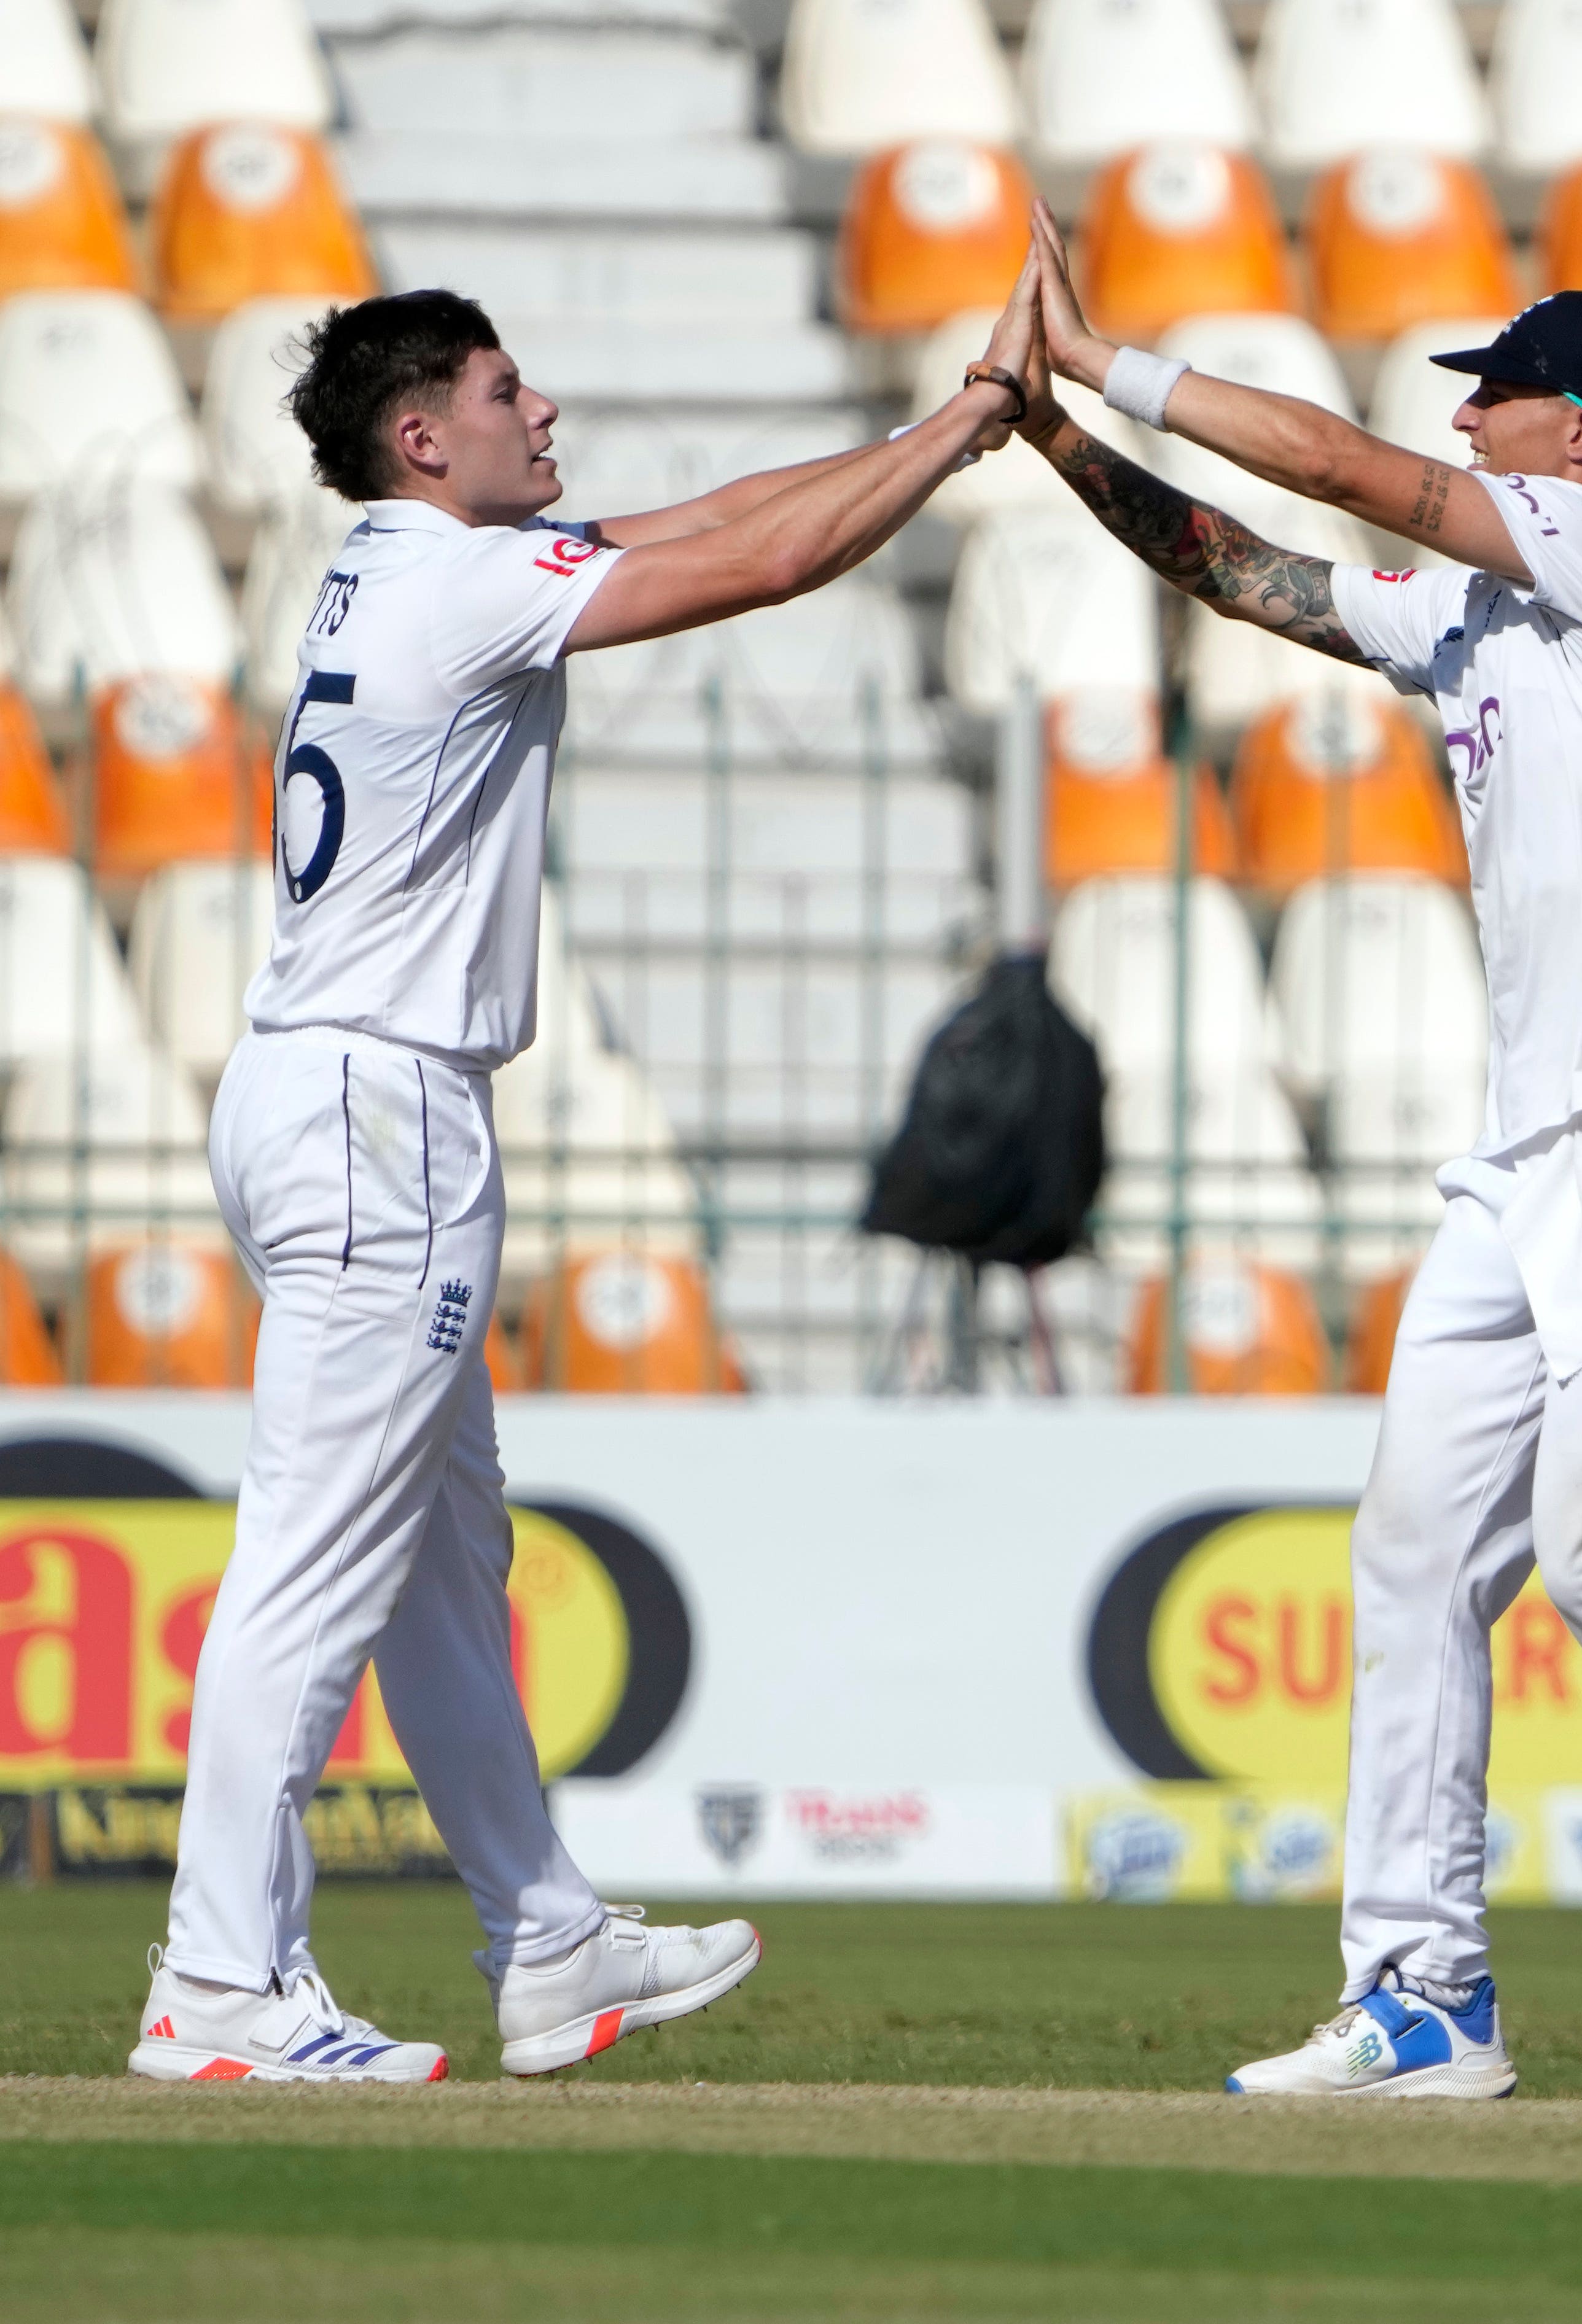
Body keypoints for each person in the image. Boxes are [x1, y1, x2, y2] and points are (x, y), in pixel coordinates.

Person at [1011, 220, 1582, 2099]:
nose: (1469, 405)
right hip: (1531, 1150)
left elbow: (1353, 471)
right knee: (1413, 1551)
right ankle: (1423, 1992)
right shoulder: (1478, 616)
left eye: (1501, 386)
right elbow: (1255, 571)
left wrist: (1099, 357)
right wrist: (1049, 440)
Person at [132, 267, 1051, 2083]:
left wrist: (925, 428)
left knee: (440, 1569)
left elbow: (705, 523)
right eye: (502, 390)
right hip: (378, 1113)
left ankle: (546, 1940)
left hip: (329, 1088)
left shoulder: (399, 567)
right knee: (316, 1565)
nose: (538, 412)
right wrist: (962, 430)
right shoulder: (464, 583)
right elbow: (768, 569)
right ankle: (218, 1980)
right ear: (422, 436)